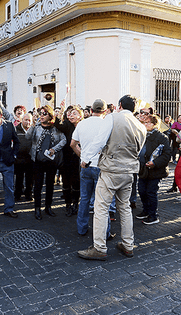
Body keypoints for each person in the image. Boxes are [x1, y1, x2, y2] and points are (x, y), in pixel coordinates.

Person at [77, 95, 146, 260]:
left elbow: (99, 141)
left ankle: (99, 248)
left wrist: (85, 159)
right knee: (125, 208)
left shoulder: (112, 118)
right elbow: (139, 151)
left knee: (101, 208)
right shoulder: (141, 126)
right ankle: (128, 245)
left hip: (111, 170)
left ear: (120, 105)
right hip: (129, 172)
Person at [71, 99, 107, 236]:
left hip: (85, 165)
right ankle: (104, 231)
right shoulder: (106, 124)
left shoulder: (82, 124)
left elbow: (73, 144)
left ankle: (82, 228)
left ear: (91, 110)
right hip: (101, 166)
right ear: (104, 111)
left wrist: (82, 156)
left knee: (84, 199)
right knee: (102, 201)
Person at [26, 105, 66, 220]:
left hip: (51, 161)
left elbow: (64, 140)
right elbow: (28, 137)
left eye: (44, 114)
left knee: (50, 185)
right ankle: (37, 208)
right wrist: (33, 124)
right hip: (37, 160)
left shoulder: (55, 128)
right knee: (37, 185)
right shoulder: (37, 126)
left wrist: (55, 149)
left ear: (50, 116)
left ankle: (48, 207)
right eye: (40, 113)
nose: (41, 116)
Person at [136, 114, 171, 225]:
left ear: (155, 124)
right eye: (144, 122)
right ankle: (146, 210)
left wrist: (155, 163)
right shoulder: (142, 135)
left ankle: (153, 215)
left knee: (151, 192)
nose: (145, 125)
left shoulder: (162, 137)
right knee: (142, 191)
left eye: (148, 122)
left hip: (155, 170)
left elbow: (167, 155)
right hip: (143, 169)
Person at [14, 113, 34, 201]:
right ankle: (17, 194)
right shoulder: (16, 130)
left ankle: (28, 194)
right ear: (22, 120)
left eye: (29, 120)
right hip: (19, 158)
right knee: (19, 178)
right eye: (26, 120)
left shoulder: (33, 130)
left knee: (30, 178)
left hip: (30, 158)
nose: (28, 122)